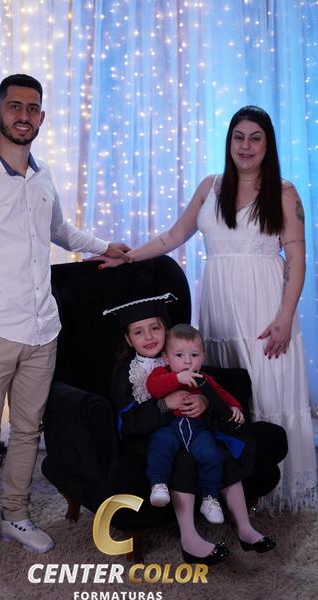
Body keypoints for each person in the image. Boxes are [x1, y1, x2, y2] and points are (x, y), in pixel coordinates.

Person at [0, 73, 131, 578]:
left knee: (28, 430)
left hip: (43, 328)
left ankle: (15, 515)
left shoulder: (43, 177)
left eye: (32, 108)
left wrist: (103, 247)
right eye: (14, 106)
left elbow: (59, 230)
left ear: (42, 117)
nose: (23, 115)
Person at [94, 105, 317, 513]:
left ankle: (271, 486)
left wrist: (285, 317)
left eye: (255, 138)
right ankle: (229, 485)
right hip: (220, 307)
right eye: (238, 137)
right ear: (229, 142)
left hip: (265, 308)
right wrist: (127, 257)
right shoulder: (210, 187)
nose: (245, 146)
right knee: (222, 389)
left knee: (266, 388)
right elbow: (173, 236)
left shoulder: (283, 192)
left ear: (268, 145)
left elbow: (298, 259)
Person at [106, 294, 277, 564]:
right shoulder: (127, 373)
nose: (149, 336)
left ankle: (244, 527)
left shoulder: (178, 356)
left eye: (155, 328)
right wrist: (165, 404)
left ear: (165, 329)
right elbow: (127, 422)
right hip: (150, 437)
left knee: (221, 452)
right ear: (128, 339)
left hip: (191, 428)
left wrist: (204, 402)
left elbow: (207, 386)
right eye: (138, 332)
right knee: (184, 460)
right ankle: (190, 540)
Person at [146, 323, 245, 527]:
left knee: (212, 454)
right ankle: (158, 484)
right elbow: (153, 388)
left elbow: (221, 395)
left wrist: (235, 407)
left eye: (194, 355)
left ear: (203, 357)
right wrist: (177, 378)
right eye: (179, 355)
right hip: (170, 427)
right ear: (166, 358)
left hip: (198, 429)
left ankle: (210, 498)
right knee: (159, 443)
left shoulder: (204, 378)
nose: (187, 361)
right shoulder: (161, 373)